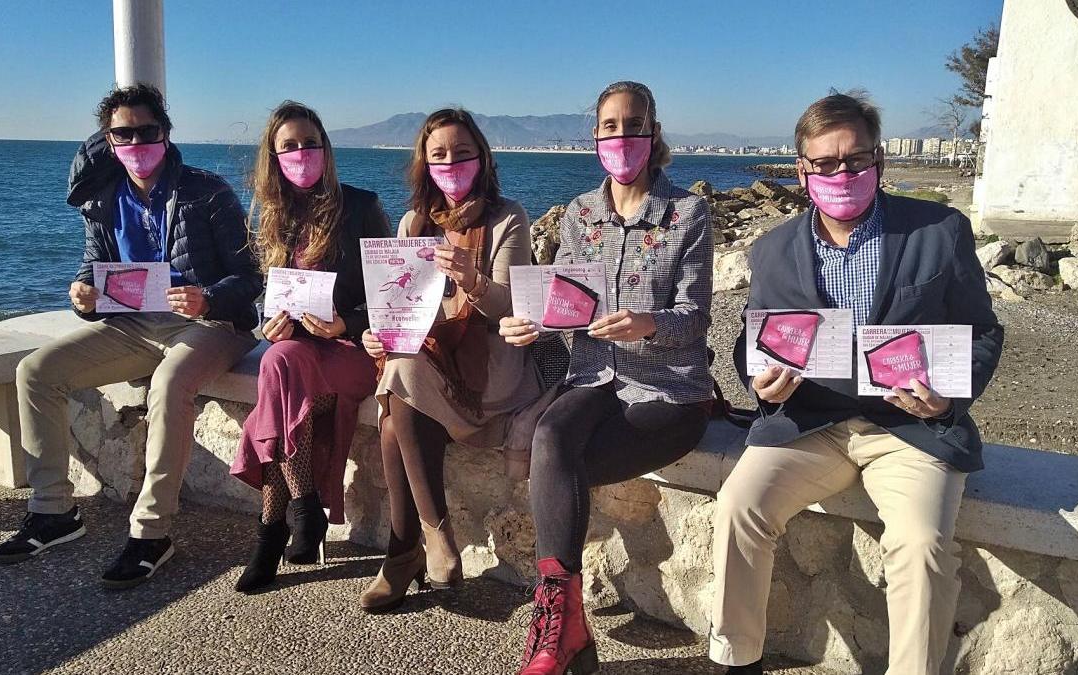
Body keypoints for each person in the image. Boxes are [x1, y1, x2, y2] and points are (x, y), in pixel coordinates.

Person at [707, 91, 1004, 675]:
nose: (842, 173)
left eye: (856, 160)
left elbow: (983, 333)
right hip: (809, 425)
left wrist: (949, 393)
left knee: (919, 546)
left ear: (879, 161)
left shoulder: (940, 231)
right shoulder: (773, 249)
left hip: (910, 429)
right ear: (803, 170)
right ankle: (736, 659)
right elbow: (756, 339)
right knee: (739, 505)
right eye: (825, 163)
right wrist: (758, 381)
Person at [0, 84, 262, 590]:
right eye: (122, 133)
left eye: (146, 130)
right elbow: (93, 271)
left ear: (166, 132)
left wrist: (208, 297)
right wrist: (81, 296)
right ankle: (52, 512)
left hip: (212, 325)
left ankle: (151, 533)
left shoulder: (208, 190)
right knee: (36, 371)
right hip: (134, 325)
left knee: (171, 382)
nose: (136, 140)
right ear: (107, 140)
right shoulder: (101, 199)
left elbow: (251, 273)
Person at [499, 81, 716, 675]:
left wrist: (648, 323)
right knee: (551, 437)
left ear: (654, 132)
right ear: (595, 136)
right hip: (592, 376)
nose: (623, 136)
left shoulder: (688, 212)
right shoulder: (580, 214)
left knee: (557, 467)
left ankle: (558, 633)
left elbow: (697, 318)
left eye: (635, 124)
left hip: (670, 388)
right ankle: (563, 622)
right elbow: (566, 304)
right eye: (610, 126)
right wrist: (532, 326)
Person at [358, 108, 541, 614]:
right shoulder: (414, 222)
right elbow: (399, 304)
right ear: (424, 163)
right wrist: (378, 334)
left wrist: (471, 278)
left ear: (482, 158)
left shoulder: (509, 217)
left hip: (492, 368)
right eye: (439, 155)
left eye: (462, 153)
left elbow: (512, 305)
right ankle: (421, 547)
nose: (451, 163)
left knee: (397, 401)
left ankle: (414, 548)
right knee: (398, 384)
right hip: (431, 364)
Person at [229, 101, 390, 593]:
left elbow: (390, 292)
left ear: (326, 148)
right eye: (289, 146)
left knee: (275, 400)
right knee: (278, 358)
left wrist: (346, 320)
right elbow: (269, 299)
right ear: (273, 157)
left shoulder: (361, 207)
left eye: (309, 143)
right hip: (297, 357)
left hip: (353, 351)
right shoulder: (274, 219)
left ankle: (273, 528)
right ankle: (299, 512)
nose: (301, 153)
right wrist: (270, 324)